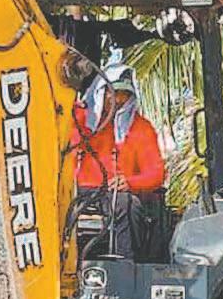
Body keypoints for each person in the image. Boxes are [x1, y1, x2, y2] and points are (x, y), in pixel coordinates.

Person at [69, 62, 168, 260]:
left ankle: (125, 265)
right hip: (79, 190)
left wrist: (130, 182)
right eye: (113, 92)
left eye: (124, 94)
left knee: (127, 204)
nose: (118, 100)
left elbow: (156, 173)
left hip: (115, 194)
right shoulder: (79, 117)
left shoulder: (141, 127)